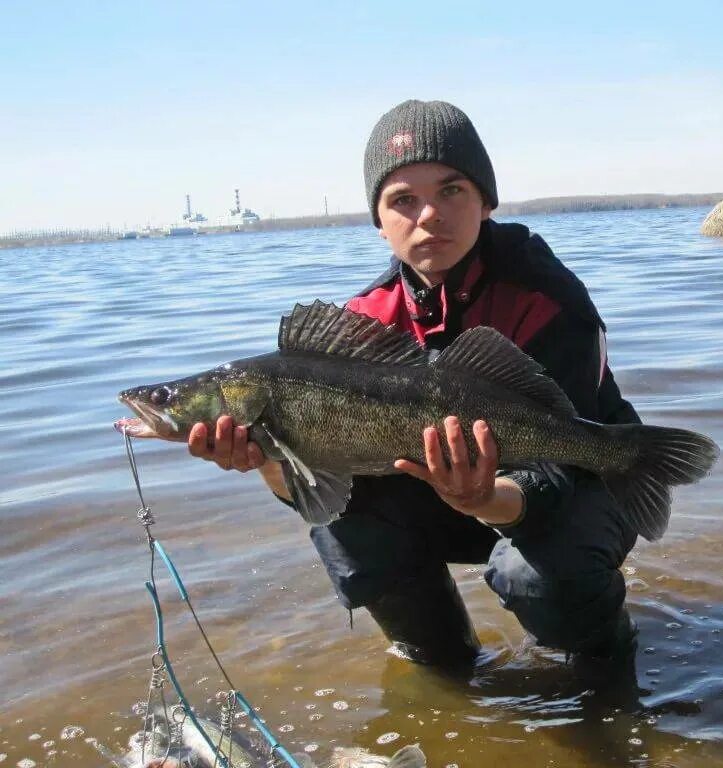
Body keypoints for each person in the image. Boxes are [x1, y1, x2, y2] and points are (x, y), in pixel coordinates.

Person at [187, 100, 642, 667]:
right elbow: (321, 486)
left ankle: (604, 668)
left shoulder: (548, 300)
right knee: (342, 528)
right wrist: (266, 461)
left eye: (451, 190)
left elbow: (561, 464)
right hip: (444, 491)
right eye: (402, 199)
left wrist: (485, 497)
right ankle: (445, 665)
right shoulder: (361, 323)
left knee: (534, 576)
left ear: (486, 200)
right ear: (379, 222)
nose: (429, 215)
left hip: (590, 477)